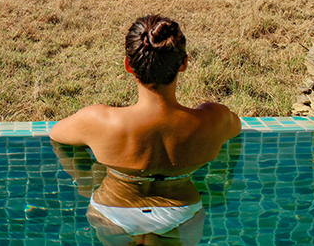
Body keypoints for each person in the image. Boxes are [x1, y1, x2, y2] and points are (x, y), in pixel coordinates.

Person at [50, 15, 241, 245]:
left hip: (113, 211)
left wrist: (85, 179)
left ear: (128, 65)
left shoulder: (99, 121)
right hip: (181, 213)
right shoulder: (214, 120)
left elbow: (57, 134)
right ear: (184, 63)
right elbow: (235, 130)